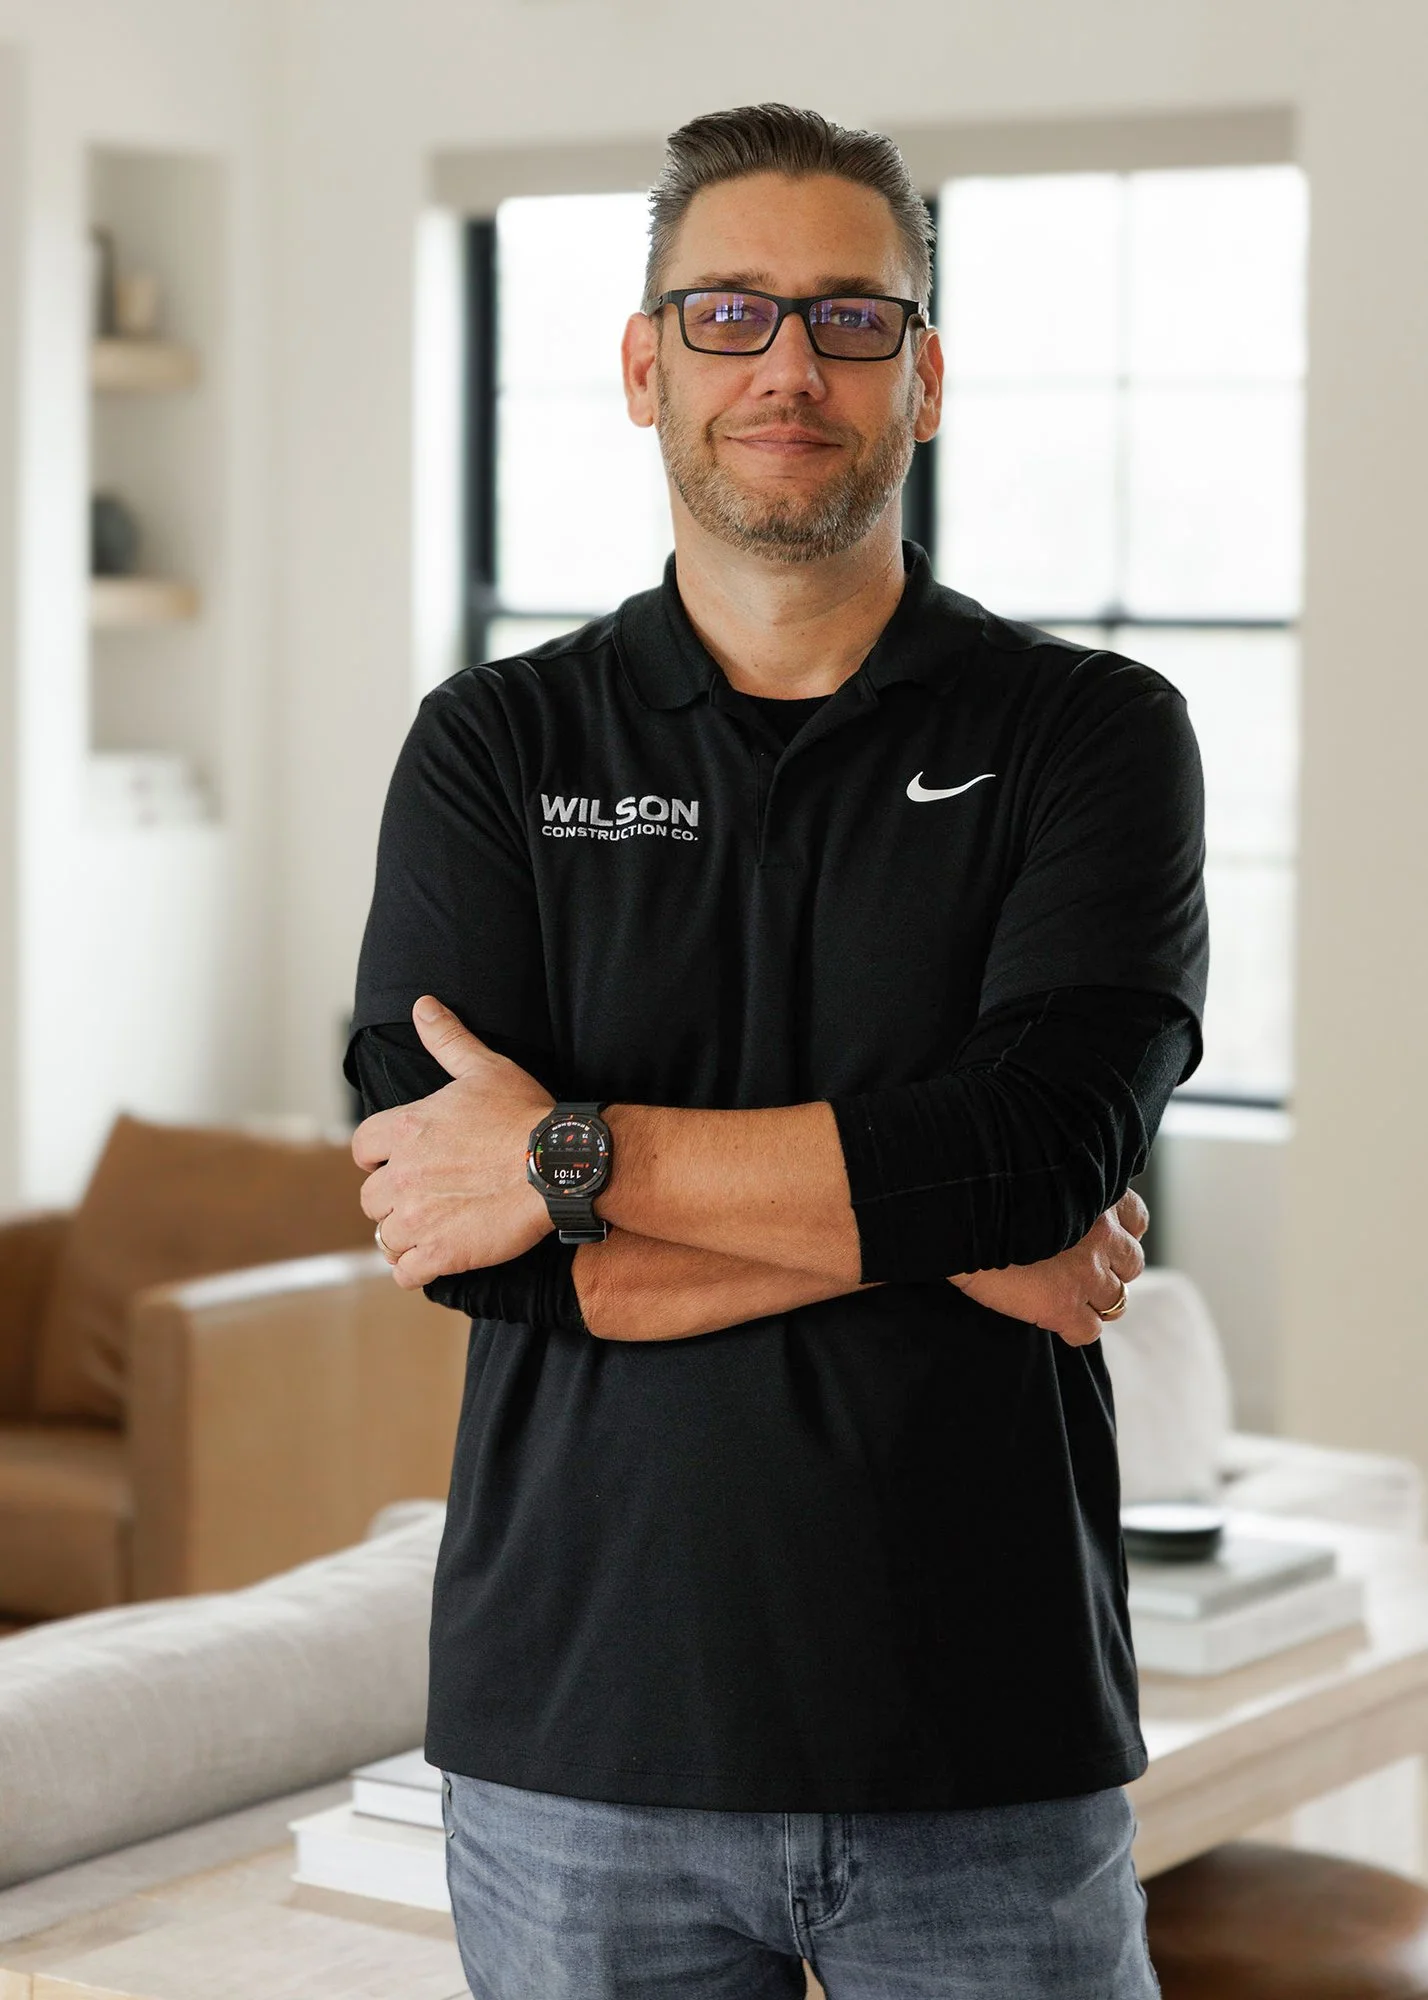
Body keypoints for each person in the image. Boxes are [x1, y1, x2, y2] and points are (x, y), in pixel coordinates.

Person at [345, 101, 1206, 2000]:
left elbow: (1043, 1159)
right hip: (578, 1747)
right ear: (646, 363)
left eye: (851, 316)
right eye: (729, 314)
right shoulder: (495, 748)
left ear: (928, 374)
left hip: (985, 1744)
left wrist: (568, 1162)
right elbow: (447, 1228)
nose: (790, 366)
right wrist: (941, 1221)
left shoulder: (1091, 735)